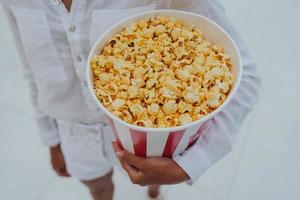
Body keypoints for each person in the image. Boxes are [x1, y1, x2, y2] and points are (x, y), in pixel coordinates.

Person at [0, 0, 260, 199]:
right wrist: (51, 138)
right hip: (72, 133)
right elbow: (32, 71)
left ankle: (154, 189)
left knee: (152, 177)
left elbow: (244, 76)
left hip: (152, 137)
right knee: (98, 187)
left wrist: (188, 164)